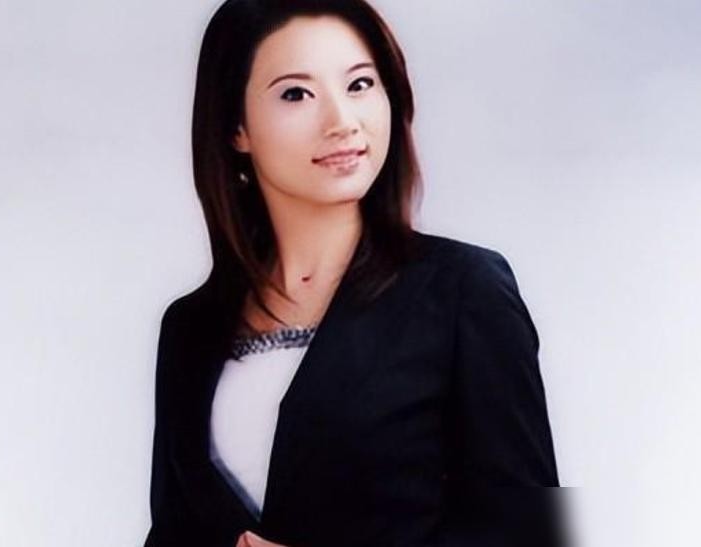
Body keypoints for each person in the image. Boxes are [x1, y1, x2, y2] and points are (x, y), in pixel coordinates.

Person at [144, 1, 568, 546]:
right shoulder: (190, 328)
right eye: (296, 94)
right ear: (235, 127)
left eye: (360, 85)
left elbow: (528, 533)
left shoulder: (463, 289)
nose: (342, 121)